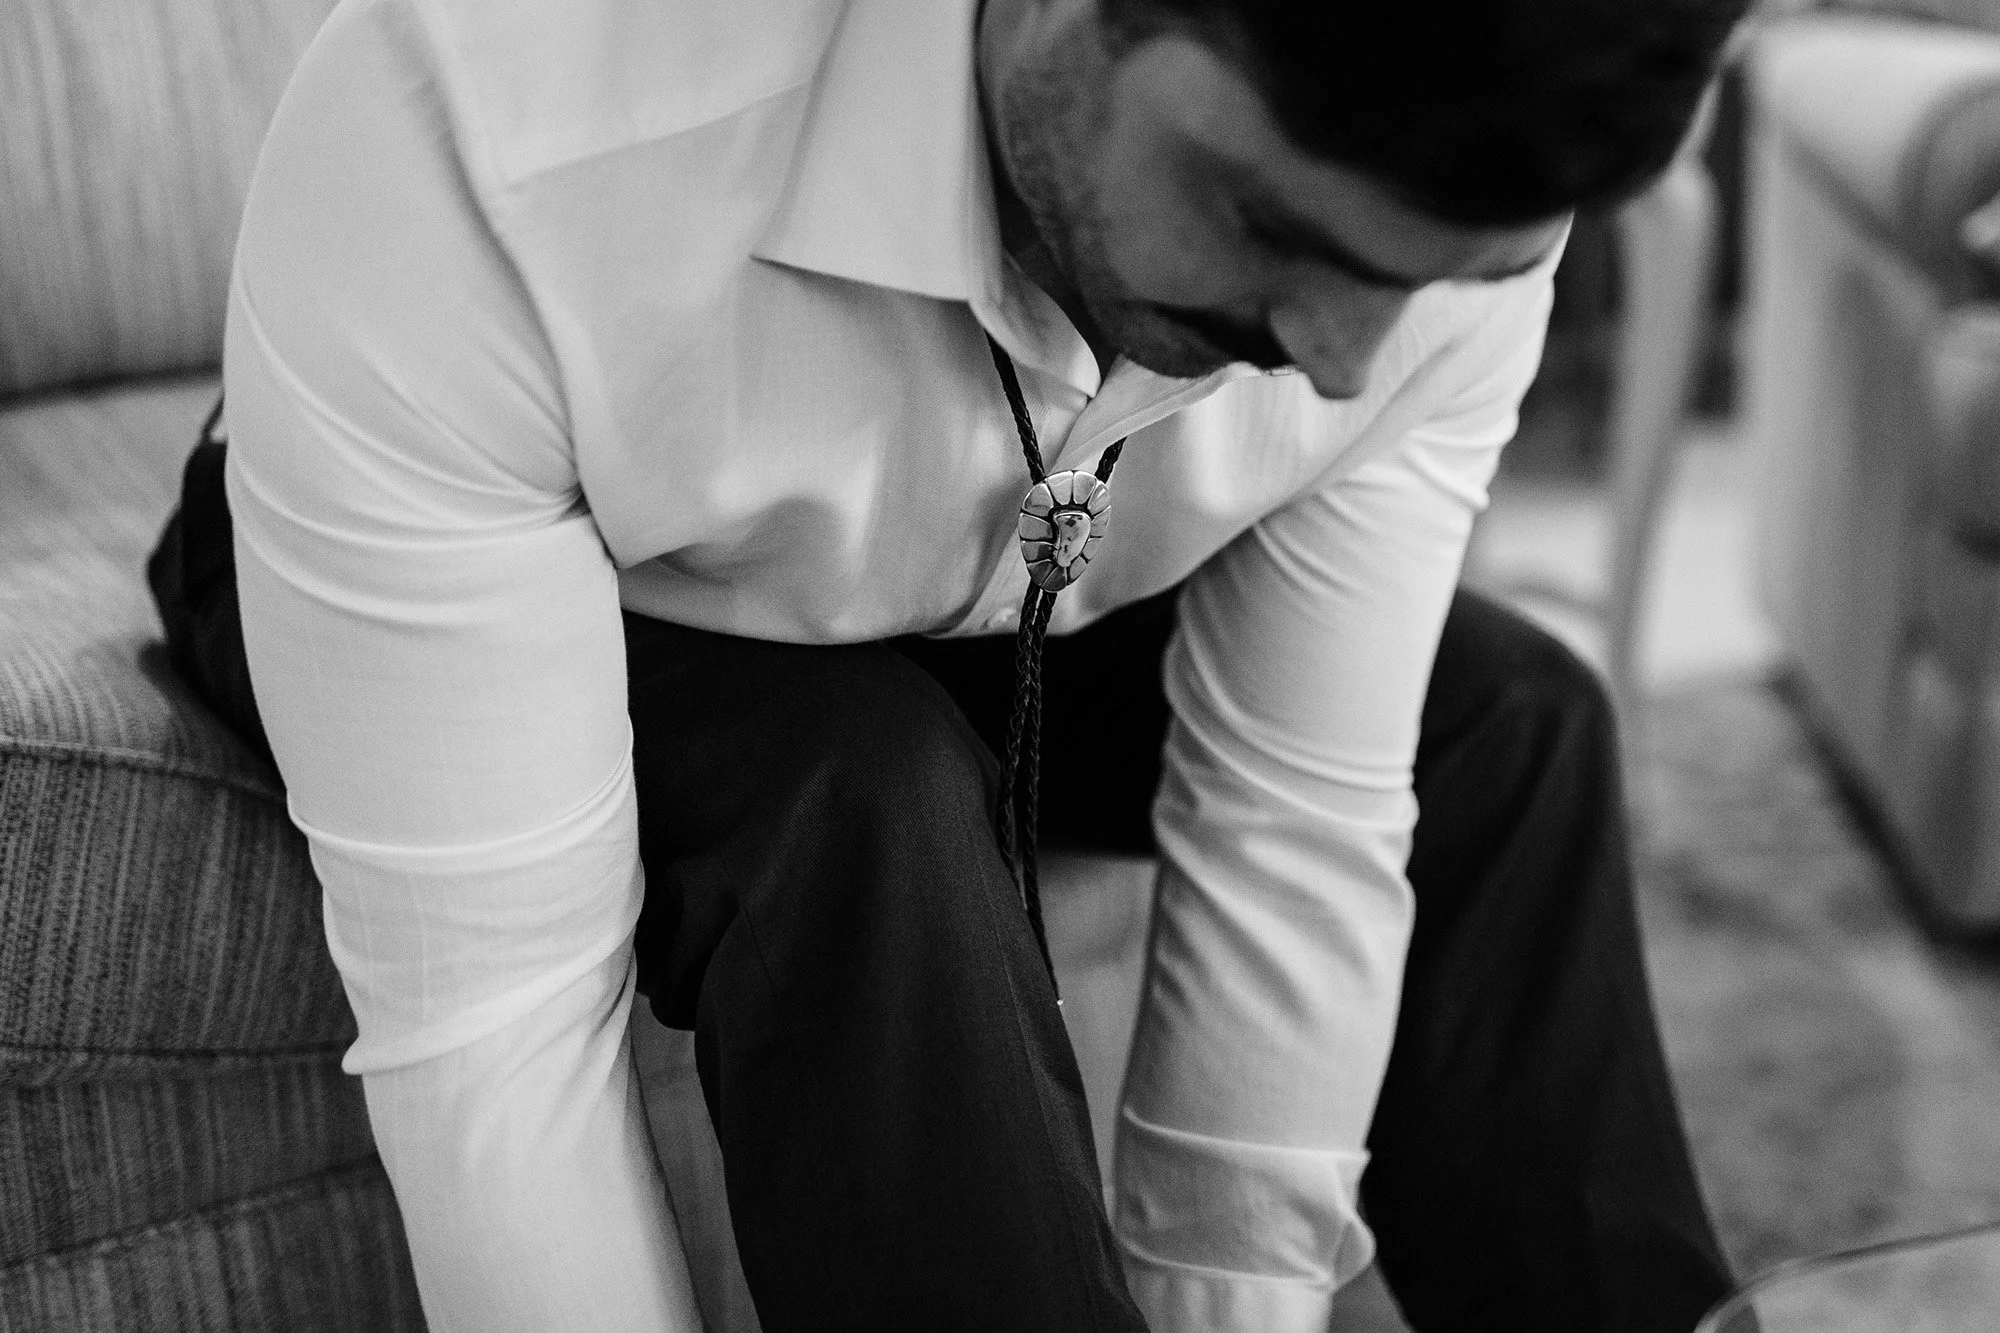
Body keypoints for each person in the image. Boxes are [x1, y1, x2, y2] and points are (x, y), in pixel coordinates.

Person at [149, 0, 1750, 1328]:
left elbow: (1299, 814)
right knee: (864, 786)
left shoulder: (1435, 236)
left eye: (1433, 279)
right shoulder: (490, 132)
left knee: (1511, 716)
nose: (1340, 363)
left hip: (986, 575)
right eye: (1275, 223)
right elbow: (498, 1063)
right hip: (523, 548)